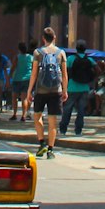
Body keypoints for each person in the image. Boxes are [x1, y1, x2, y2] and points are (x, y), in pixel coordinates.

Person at [25, 27, 68, 158]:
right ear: (54, 37)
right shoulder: (61, 53)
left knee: (37, 116)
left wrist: (29, 91)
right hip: (56, 91)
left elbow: (34, 74)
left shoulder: (37, 52)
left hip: (40, 90)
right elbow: (65, 75)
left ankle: (41, 143)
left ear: (43, 38)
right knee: (53, 121)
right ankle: (50, 150)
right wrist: (65, 91)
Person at [60, 41, 96, 136]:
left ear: (76, 49)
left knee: (67, 109)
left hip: (72, 87)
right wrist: (91, 78)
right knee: (81, 110)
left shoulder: (71, 59)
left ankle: (63, 129)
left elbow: (65, 72)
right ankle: (78, 130)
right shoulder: (90, 60)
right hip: (84, 88)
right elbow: (98, 70)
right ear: (85, 49)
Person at [10, 41, 32, 120]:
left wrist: (9, 76)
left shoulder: (17, 57)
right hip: (27, 79)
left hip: (17, 78)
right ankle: (24, 115)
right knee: (24, 98)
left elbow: (13, 67)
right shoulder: (30, 57)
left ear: (19, 49)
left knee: (14, 97)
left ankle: (14, 114)